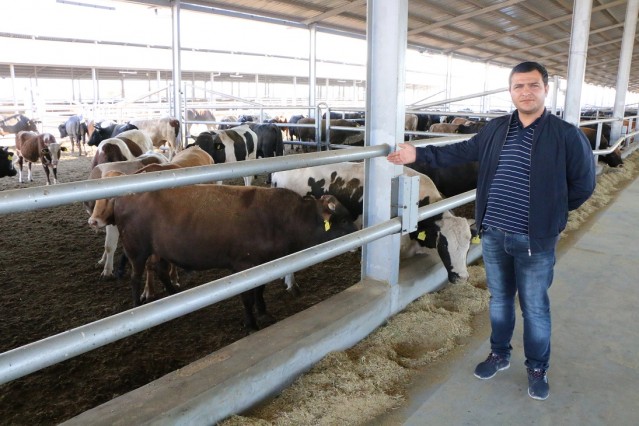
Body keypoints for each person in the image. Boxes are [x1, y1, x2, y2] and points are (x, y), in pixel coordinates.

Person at [387, 61, 596, 401]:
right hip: (495, 233)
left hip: (535, 239)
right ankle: (499, 353)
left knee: (534, 307)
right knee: (499, 300)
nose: (526, 92)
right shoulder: (496, 129)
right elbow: (459, 151)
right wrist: (417, 154)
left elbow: (584, 185)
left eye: (533, 85)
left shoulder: (566, 135)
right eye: (518, 86)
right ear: (511, 91)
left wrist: (551, 213)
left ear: (545, 89)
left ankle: (537, 367)